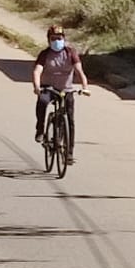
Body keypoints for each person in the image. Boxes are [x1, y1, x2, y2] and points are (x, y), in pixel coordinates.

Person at [32, 24, 89, 163]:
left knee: (70, 119)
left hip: (66, 89)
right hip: (49, 88)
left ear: (64, 38)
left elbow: (79, 71)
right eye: (54, 38)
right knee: (42, 101)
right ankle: (40, 129)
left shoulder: (70, 53)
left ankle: (69, 153)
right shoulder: (45, 54)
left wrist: (85, 87)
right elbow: (37, 71)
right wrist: (37, 87)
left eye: (60, 38)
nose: (57, 41)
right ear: (49, 40)